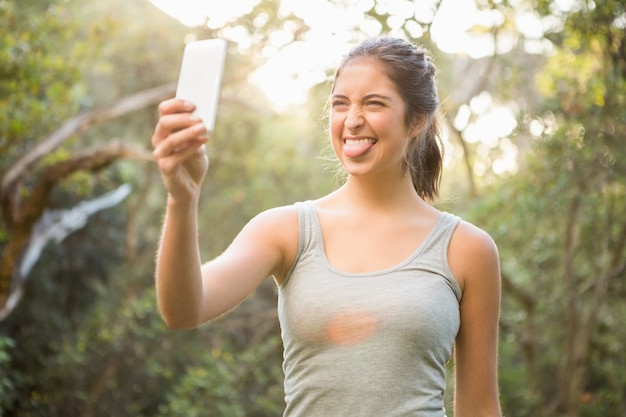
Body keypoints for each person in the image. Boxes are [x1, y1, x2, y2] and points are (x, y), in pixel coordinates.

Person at [151, 36, 502, 417]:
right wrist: (181, 200)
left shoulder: (468, 249)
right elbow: (183, 310)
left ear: (417, 120)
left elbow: (480, 407)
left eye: (374, 103)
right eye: (340, 104)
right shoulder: (286, 230)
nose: (352, 120)